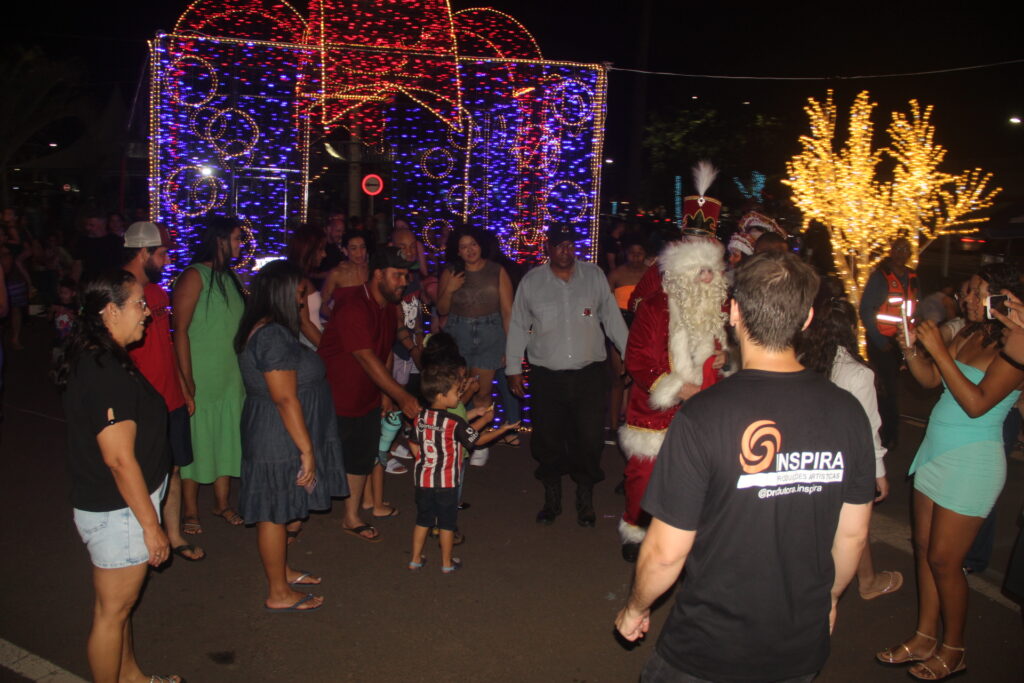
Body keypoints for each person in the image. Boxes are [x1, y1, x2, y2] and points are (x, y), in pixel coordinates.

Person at [615, 252, 875, 683]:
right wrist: (827, 600)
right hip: (798, 646)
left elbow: (665, 552)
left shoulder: (702, 416)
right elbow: (853, 533)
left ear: (733, 312)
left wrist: (635, 608)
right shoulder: (848, 413)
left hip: (706, 651)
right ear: (807, 318)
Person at [877, 262, 1024, 681]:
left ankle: (954, 648)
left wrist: (940, 352)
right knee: (923, 551)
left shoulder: (1017, 344)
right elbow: (929, 380)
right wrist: (910, 347)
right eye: (967, 293)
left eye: (979, 293)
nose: (969, 300)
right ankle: (924, 636)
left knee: (945, 561)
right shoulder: (968, 333)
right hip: (936, 452)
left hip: (972, 459)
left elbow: (977, 403)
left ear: (1004, 298)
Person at [57, 270, 182, 683]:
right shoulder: (104, 370)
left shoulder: (101, 355)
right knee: (111, 614)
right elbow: (119, 459)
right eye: (139, 305)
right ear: (110, 311)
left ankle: (131, 678)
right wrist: (152, 526)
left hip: (121, 508)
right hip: (121, 512)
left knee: (119, 610)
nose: (147, 314)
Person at [235, 260, 348, 611]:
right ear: (282, 293)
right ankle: (278, 593)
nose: (303, 301)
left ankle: (281, 572)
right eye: (299, 294)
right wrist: (307, 450)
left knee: (280, 508)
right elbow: (284, 398)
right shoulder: (272, 335)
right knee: (273, 510)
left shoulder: (269, 328)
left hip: (274, 427)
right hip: (276, 432)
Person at [505, 225, 628, 526]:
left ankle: (585, 499)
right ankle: (552, 498)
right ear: (548, 248)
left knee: (589, 440)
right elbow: (519, 325)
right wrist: (513, 368)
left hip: (588, 375)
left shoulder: (594, 277)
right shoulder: (532, 282)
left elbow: (612, 319)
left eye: (570, 244)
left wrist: (630, 355)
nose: (565, 250)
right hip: (547, 376)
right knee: (548, 440)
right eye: (559, 245)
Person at [617, 235, 728, 563]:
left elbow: (741, 352)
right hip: (655, 410)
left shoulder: (723, 309)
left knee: (701, 477)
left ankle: (693, 532)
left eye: (711, 271)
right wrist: (676, 388)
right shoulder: (654, 308)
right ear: (682, 274)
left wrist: (728, 360)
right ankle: (637, 530)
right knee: (644, 477)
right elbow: (636, 358)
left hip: (707, 411)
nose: (707, 278)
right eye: (700, 272)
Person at [796, 277, 903, 601]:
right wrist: (879, 472)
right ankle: (860, 584)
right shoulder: (858, 374)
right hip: (844, 463)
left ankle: (834, 580)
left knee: (819, 527)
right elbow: (869, 427)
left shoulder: (805, 363)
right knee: (853, 527)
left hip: (809, 459)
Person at [319, 247, 420, 541]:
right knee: (321, 457)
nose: (404, 281)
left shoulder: (388, 306)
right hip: (333, 394)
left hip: (365, 394)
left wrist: (385, 395)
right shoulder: (353, 304)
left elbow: (384, 351)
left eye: (405, 275)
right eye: (397, 275)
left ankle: (351, 517)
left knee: (361, 456)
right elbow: (364, 356)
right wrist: (400, 395)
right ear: (378, 274)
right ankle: (289, 519)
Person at [122, 222, 204, 562]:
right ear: (143, 253)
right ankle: (140, 535)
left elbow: (167, 344)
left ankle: (172, 535)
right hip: (141, 403)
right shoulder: (117, 293)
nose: (168, 260)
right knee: (140, 472)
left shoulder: (155, 293)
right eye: (161, 253)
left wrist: (184, 386)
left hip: (169, 397)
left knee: (172, 468)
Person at [172, 216, 247, 534]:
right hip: (202, 373)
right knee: (198, 441)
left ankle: (222, 503)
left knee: (228, 437)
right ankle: (190, 509)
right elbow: (180, 331)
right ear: (218, 240)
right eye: (235, 238)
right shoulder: (193, 276)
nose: (239, 244)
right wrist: (187, 379)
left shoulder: (230, 277)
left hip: (231, 375)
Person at [408, 363, 518, 573]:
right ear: (441, 396)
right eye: (455, 392)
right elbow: (477, 439)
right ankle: (447, 562)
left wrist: (426, 459)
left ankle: (415, 559)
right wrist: (499, 427)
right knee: (447, 523)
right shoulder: (453, 422)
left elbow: (413, 443)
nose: (459, 395)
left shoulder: (420, 418)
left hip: (423, 479)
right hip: (447, 481)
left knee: (423, 520)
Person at [437, 227, 514, 467]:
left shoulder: (497, 270)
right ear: (457, 251)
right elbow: (441, 310)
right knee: (456, 392)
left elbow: (507, 311)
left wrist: (510, 349)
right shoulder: (451, 272)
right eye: (463, 246)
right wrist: (449, 289)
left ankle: (479, 441)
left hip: (490, 332)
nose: (469, 250)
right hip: (458, 331)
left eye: (473, 244)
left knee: (481, 391)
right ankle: (455, 440)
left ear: (481, 245)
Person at [859, 237, 918, 448]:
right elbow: (866, 310)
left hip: (901, 342)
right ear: (892, 251)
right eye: (899, 248)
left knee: (892, 389)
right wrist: (878, 340)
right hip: (883, 342)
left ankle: (888, 432)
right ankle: (886, 434)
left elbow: (912, 311)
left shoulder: (912, 277)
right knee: (886, 390)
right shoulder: (880, 277)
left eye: (906, 249)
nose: (902, 252)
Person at [285, 224, 328, 348]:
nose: (324, 254)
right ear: (308, 250)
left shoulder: (300, 276)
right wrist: (328, 351)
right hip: (309, 344)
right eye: (321, 249)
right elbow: (304, 323)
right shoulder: (298, 280)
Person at [320, 228, 371, 317]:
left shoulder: (371, 270)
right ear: (345, 251)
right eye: (353, 248)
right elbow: (322, 305)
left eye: (362, 247)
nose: (359, 253)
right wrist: (338, 319)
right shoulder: (336, 274)